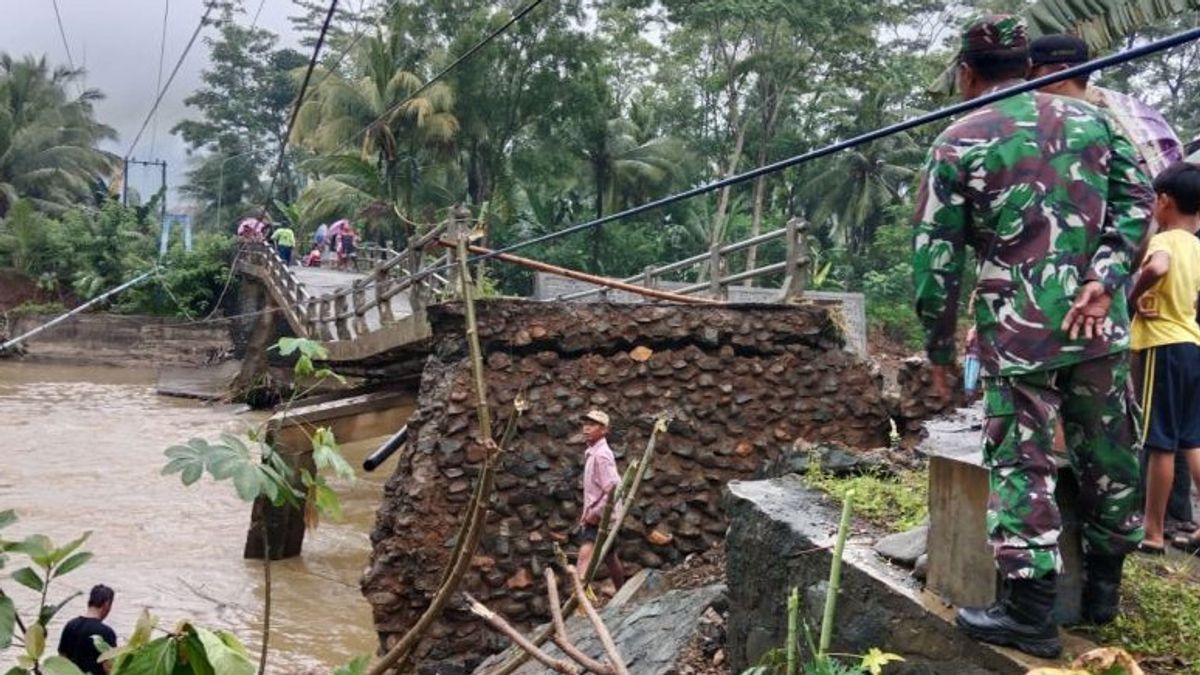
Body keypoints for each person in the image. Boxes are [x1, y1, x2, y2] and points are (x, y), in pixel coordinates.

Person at [912, 15, 1152, 657]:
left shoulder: (959, 139)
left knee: (1022, 459)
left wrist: (939, 347)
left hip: (1018, 332)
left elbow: (936, 260)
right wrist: (1107, 274)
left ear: (967, 72)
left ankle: (1030, 613)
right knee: (1108, 446)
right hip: (1097, 321)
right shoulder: (1097, 122)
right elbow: (1139, 202)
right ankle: (1104, 592)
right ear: (1027, 64)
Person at [1029, 34, 1197, 536]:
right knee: (1166, 434)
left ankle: (1147, 529)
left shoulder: (1074, 131)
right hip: (1173, 333)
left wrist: (1119, 285)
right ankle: (1174, 519)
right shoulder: (1121, 130)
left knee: (1145, 434)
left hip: (1133, 330)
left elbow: (1149, 252)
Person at [1129, 162, 1200, 553]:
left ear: (1165, 201)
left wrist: (1136, 297)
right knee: (1192, 440)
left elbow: (1156, 268)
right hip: (1192, 343)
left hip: (1163, 346)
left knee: (1160, 443)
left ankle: (1153, 531)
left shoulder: (1165, 240)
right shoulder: (1198, 246)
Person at [576, 409, 626, 591]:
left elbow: (613, 488)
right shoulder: (593, 452)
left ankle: (579, 601)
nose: (586, 428)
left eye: (593, 425)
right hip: (601, 515)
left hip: (601, 517)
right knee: (610, 557)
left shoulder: (602, 455)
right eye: (585, 424)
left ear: (604, 430)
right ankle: (621, 592)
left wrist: (595, 514)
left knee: (584, 559)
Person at [58, 584, 117, 675]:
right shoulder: (106, 632)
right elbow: (109, 667)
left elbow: (61, 659)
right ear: (107, 604)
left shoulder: (70, 625)